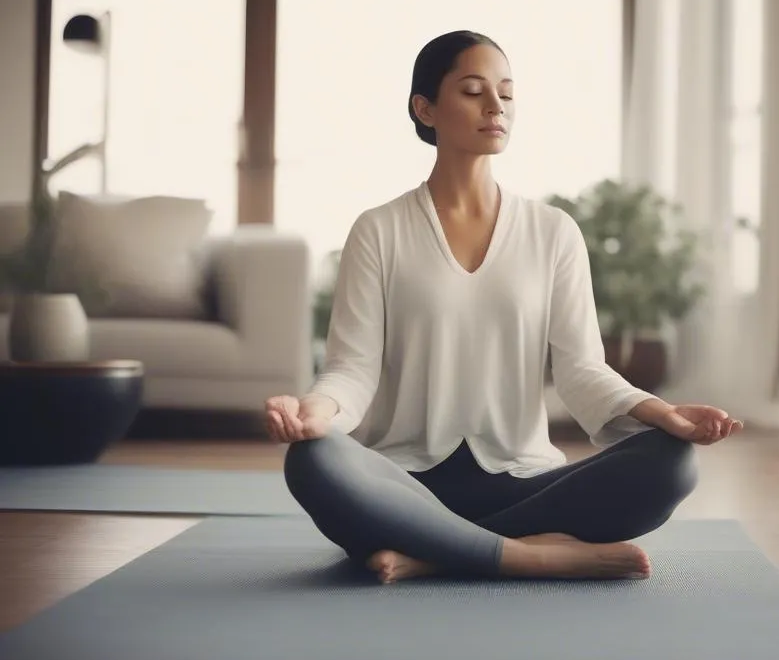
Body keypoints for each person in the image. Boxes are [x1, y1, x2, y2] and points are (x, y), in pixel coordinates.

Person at [265, 30, 742, 585]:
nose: (496, 107)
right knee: (313, 460)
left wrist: (664, 414)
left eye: (507, 93)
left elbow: (581, 369)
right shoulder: (380, 230)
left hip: (524, 481)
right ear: (425, 109)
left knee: (672, 462)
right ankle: (529, 555)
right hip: (404, 483)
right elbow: (353, 368)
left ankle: (434, 552)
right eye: (473, 90)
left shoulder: (553, 232)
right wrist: (313, 414)